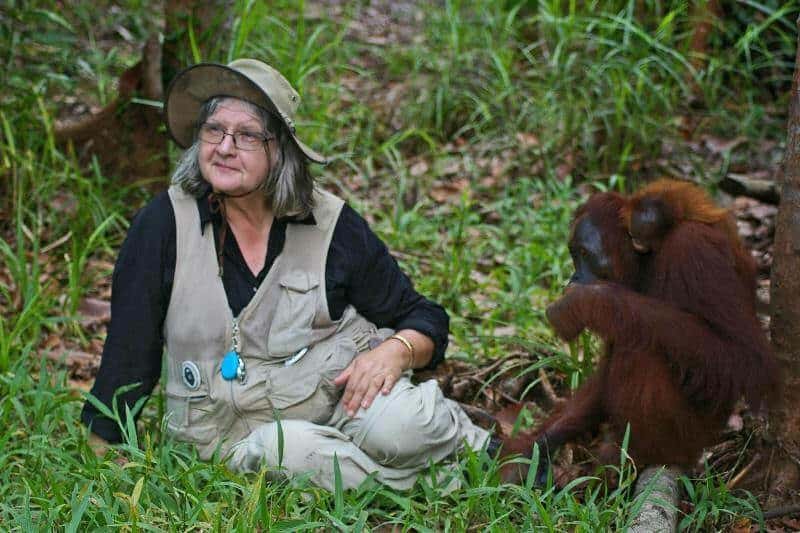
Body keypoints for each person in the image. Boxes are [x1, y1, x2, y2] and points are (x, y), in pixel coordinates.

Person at [81, 58, 495, 491]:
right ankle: (444, 480)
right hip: (233, 439)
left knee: (404, 426)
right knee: (291, 451)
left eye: (246, 136)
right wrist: (101, 454)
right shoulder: (164, 224)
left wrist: (395, 350)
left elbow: (423, 316)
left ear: (279, 151)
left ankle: (480, 448)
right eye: (213, 130)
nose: (224, 147)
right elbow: (130, 350)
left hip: (340, 402)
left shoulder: (330, 224)